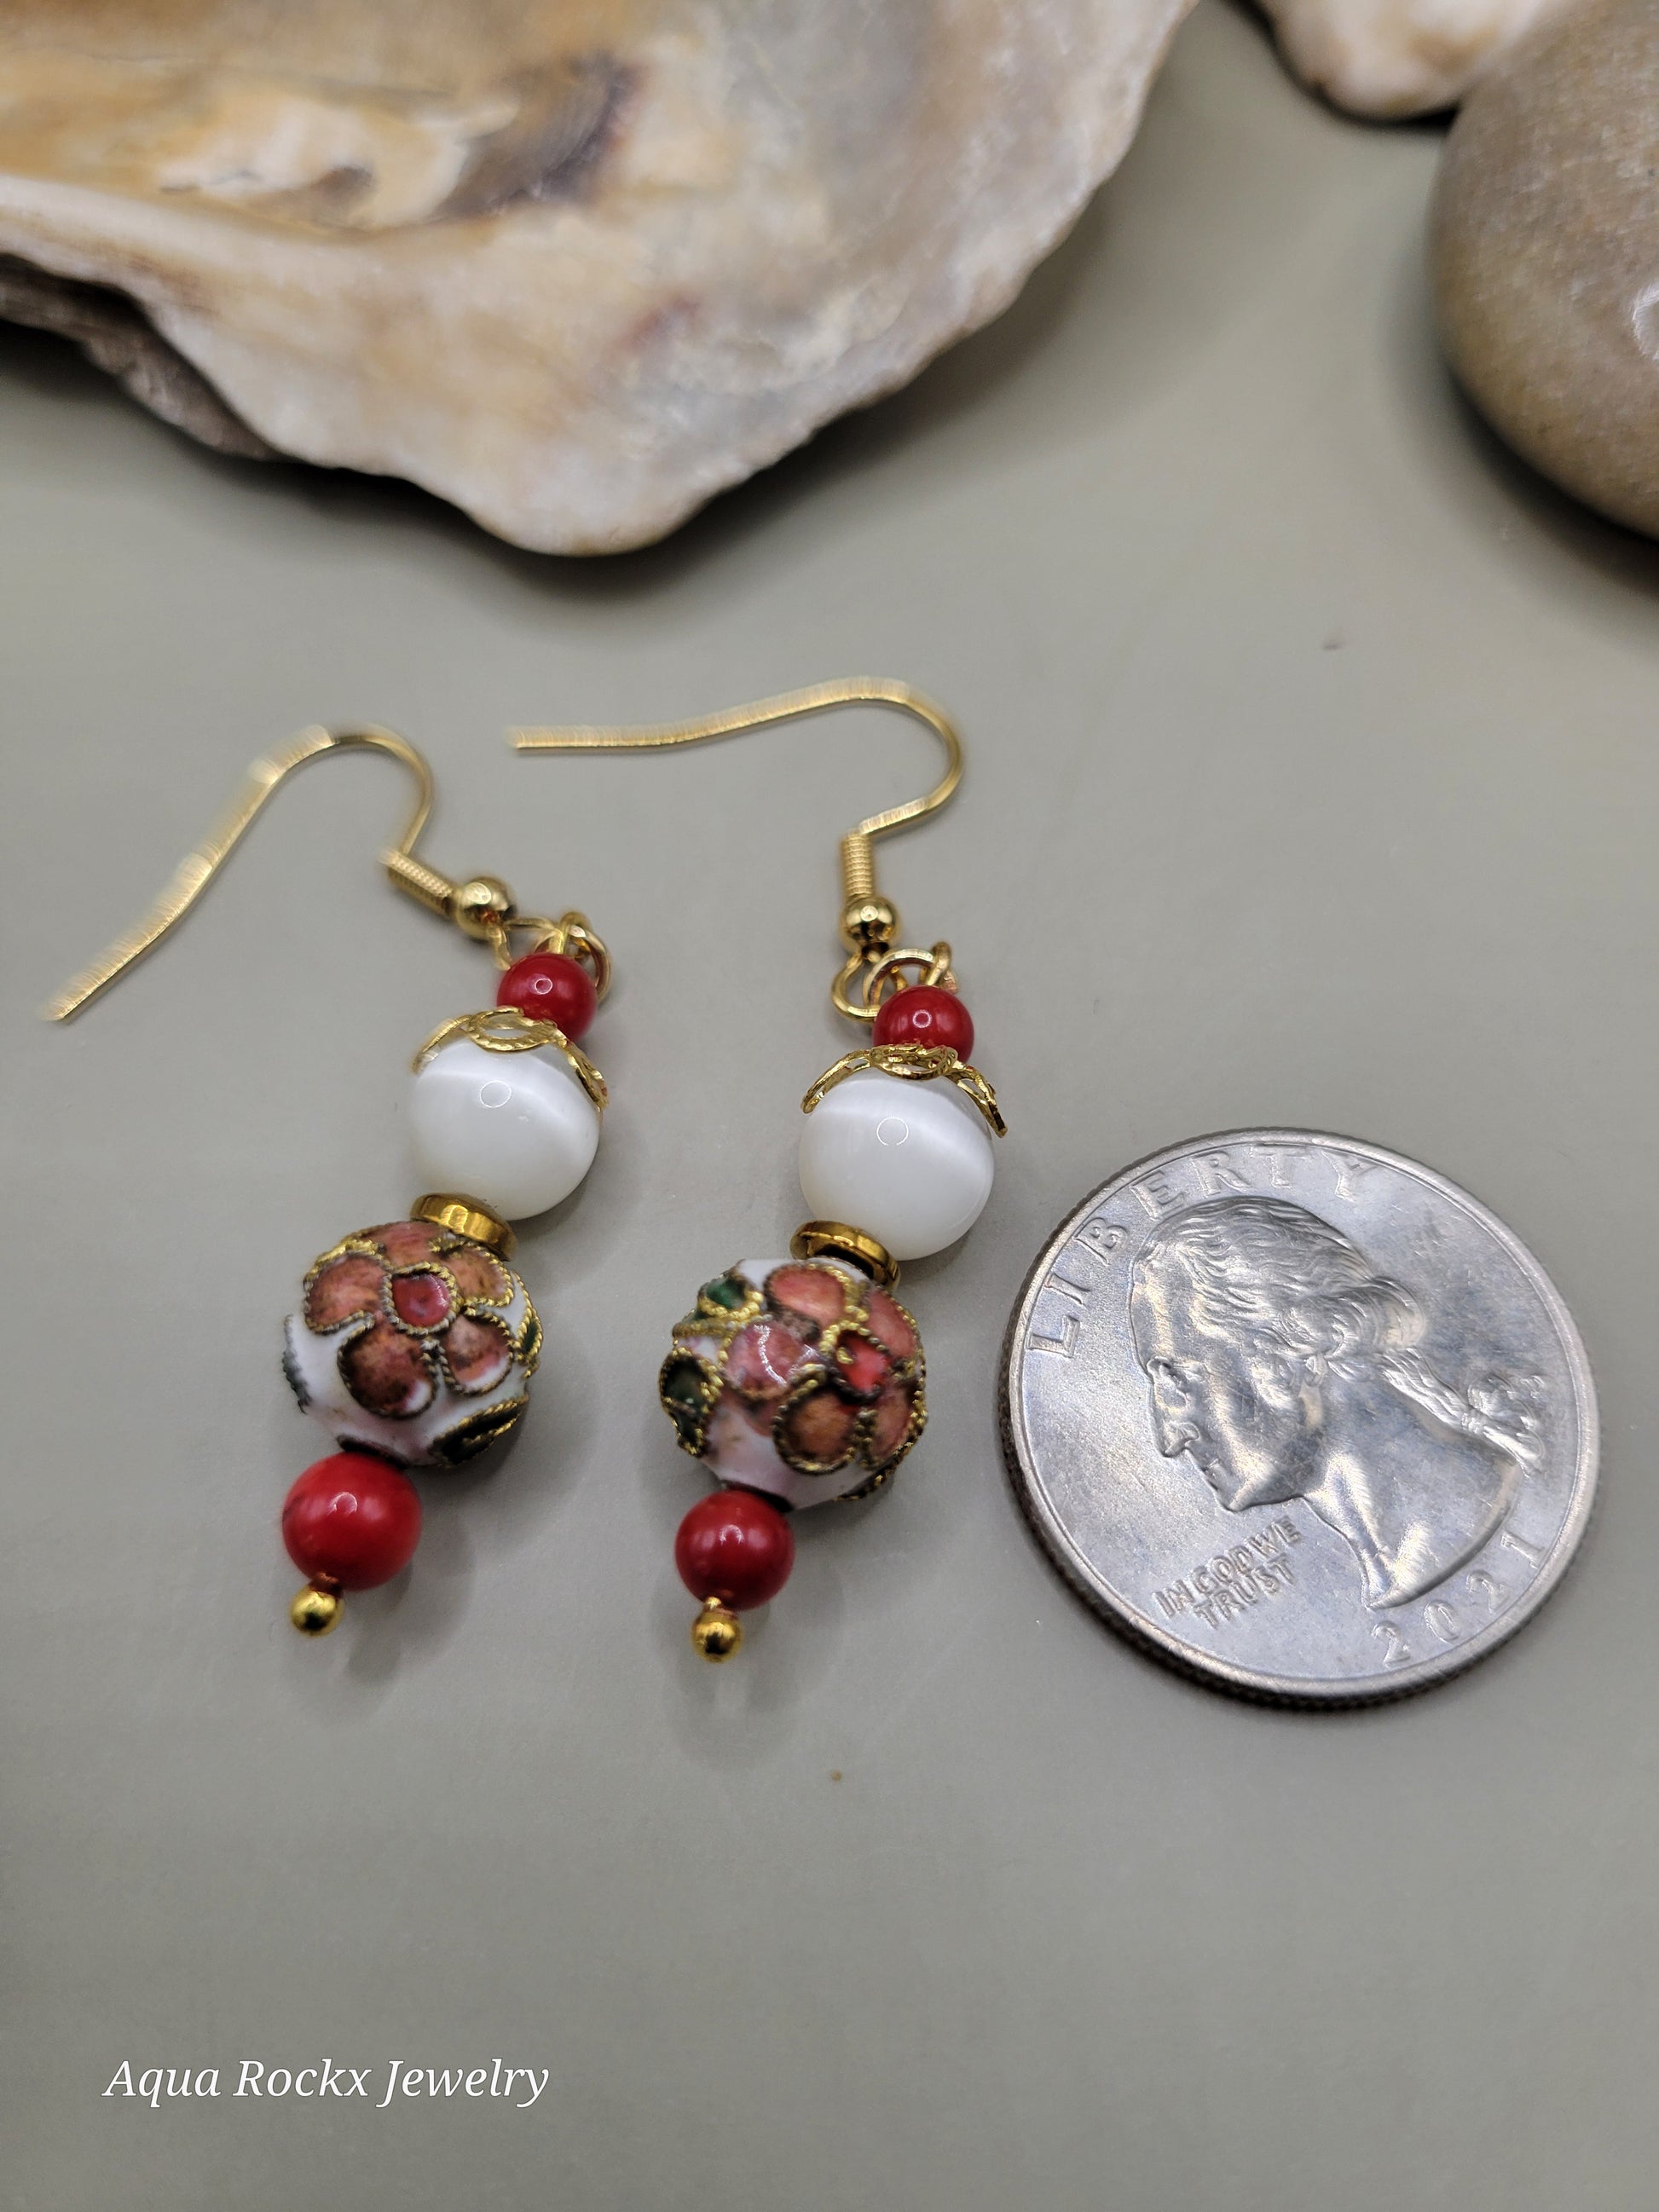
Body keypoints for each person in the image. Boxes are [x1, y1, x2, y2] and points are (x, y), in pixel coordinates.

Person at [1129, 1195, 1540, 1610]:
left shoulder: (1457, 1522)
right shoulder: (1399, 1567)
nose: (1169, 1440)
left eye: (1176, 1380)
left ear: (1291, 1360)